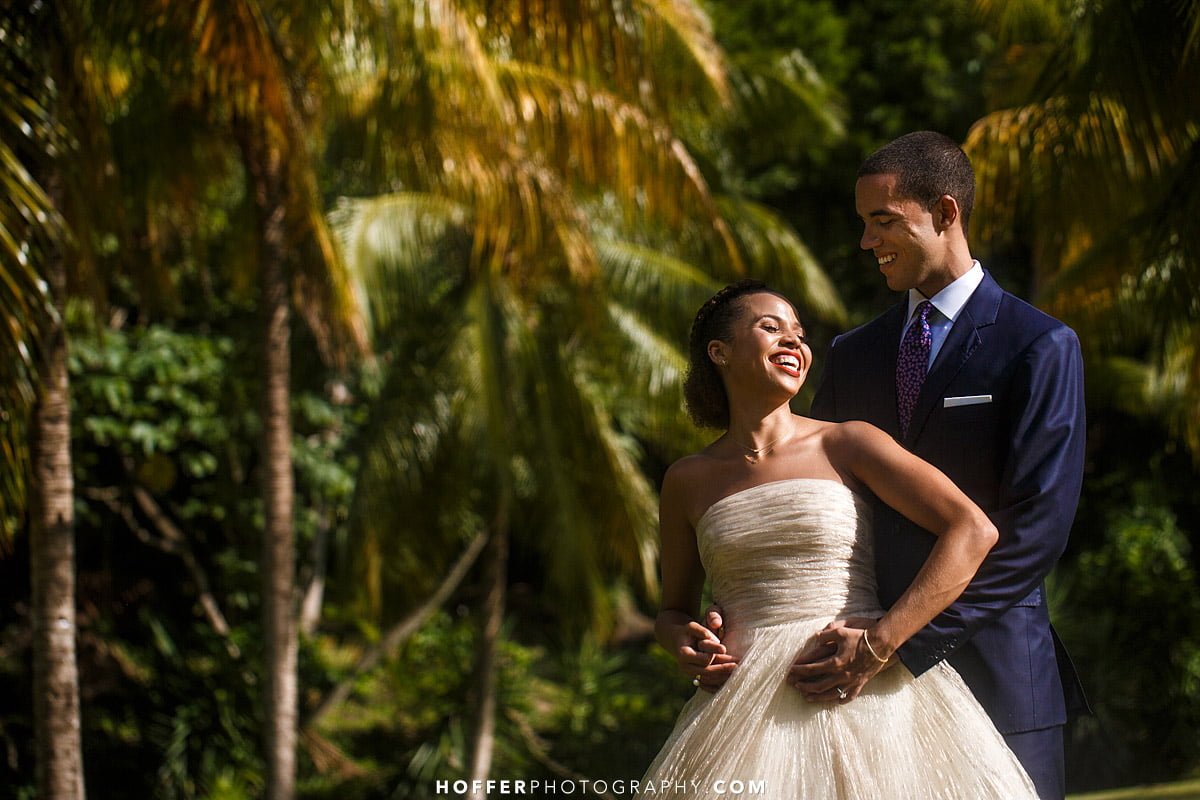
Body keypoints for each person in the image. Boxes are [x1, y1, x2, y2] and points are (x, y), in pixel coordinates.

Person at [698, 131, 1087, 799]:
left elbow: (1034, 533)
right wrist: (737, 605)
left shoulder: (1040, 346)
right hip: (856, 688)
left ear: (944, 212)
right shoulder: (853, 355)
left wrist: (896, 640)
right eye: (863, 223)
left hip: (994, 675)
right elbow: (801, 484)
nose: (866, 242)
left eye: (883, 221)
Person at [640, 280, 1039, 797]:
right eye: (771, 328)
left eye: (799, 334)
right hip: (740, 708)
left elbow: (972, 529)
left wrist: (883, 641)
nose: (793, 343)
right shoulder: (686, 480)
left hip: (868, 697)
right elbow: (673, 612)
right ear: (720, 352)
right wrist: (683, 643)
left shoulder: (847, 442)